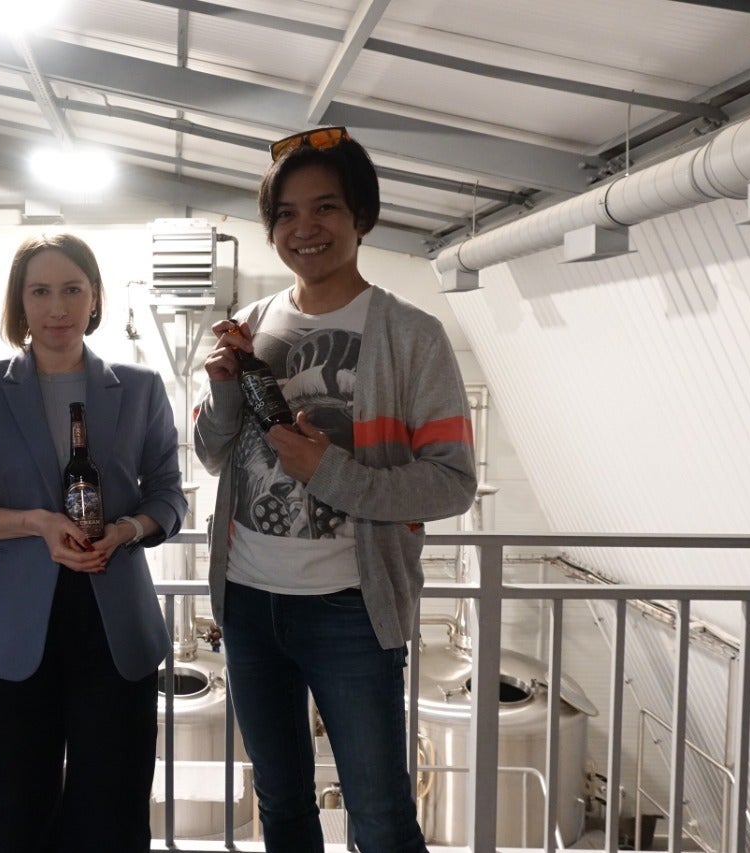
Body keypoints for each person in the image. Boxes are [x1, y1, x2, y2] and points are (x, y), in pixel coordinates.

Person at [194, 127, 477, 852]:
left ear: (362, 217)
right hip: (249, 602)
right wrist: (222, 390)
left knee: (380, 816)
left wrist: (331, 473)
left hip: (351, 607)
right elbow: (213, 454)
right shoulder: (252, 324)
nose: (305, 228)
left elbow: (452, 482)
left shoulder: (412, 336)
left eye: (325, 208)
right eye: (286, 214)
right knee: (281, 804)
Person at [0, 233, 188, 852]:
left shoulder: (140, 387)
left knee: (113, 823)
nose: (57, 307)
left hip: (115, 631)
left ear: (94, 297)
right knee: (14, 823)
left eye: (72, 289)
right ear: (19, 302)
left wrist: (126, 531)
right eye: (40, 291)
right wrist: (37, 523)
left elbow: (168, 496)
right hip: (6, 635)